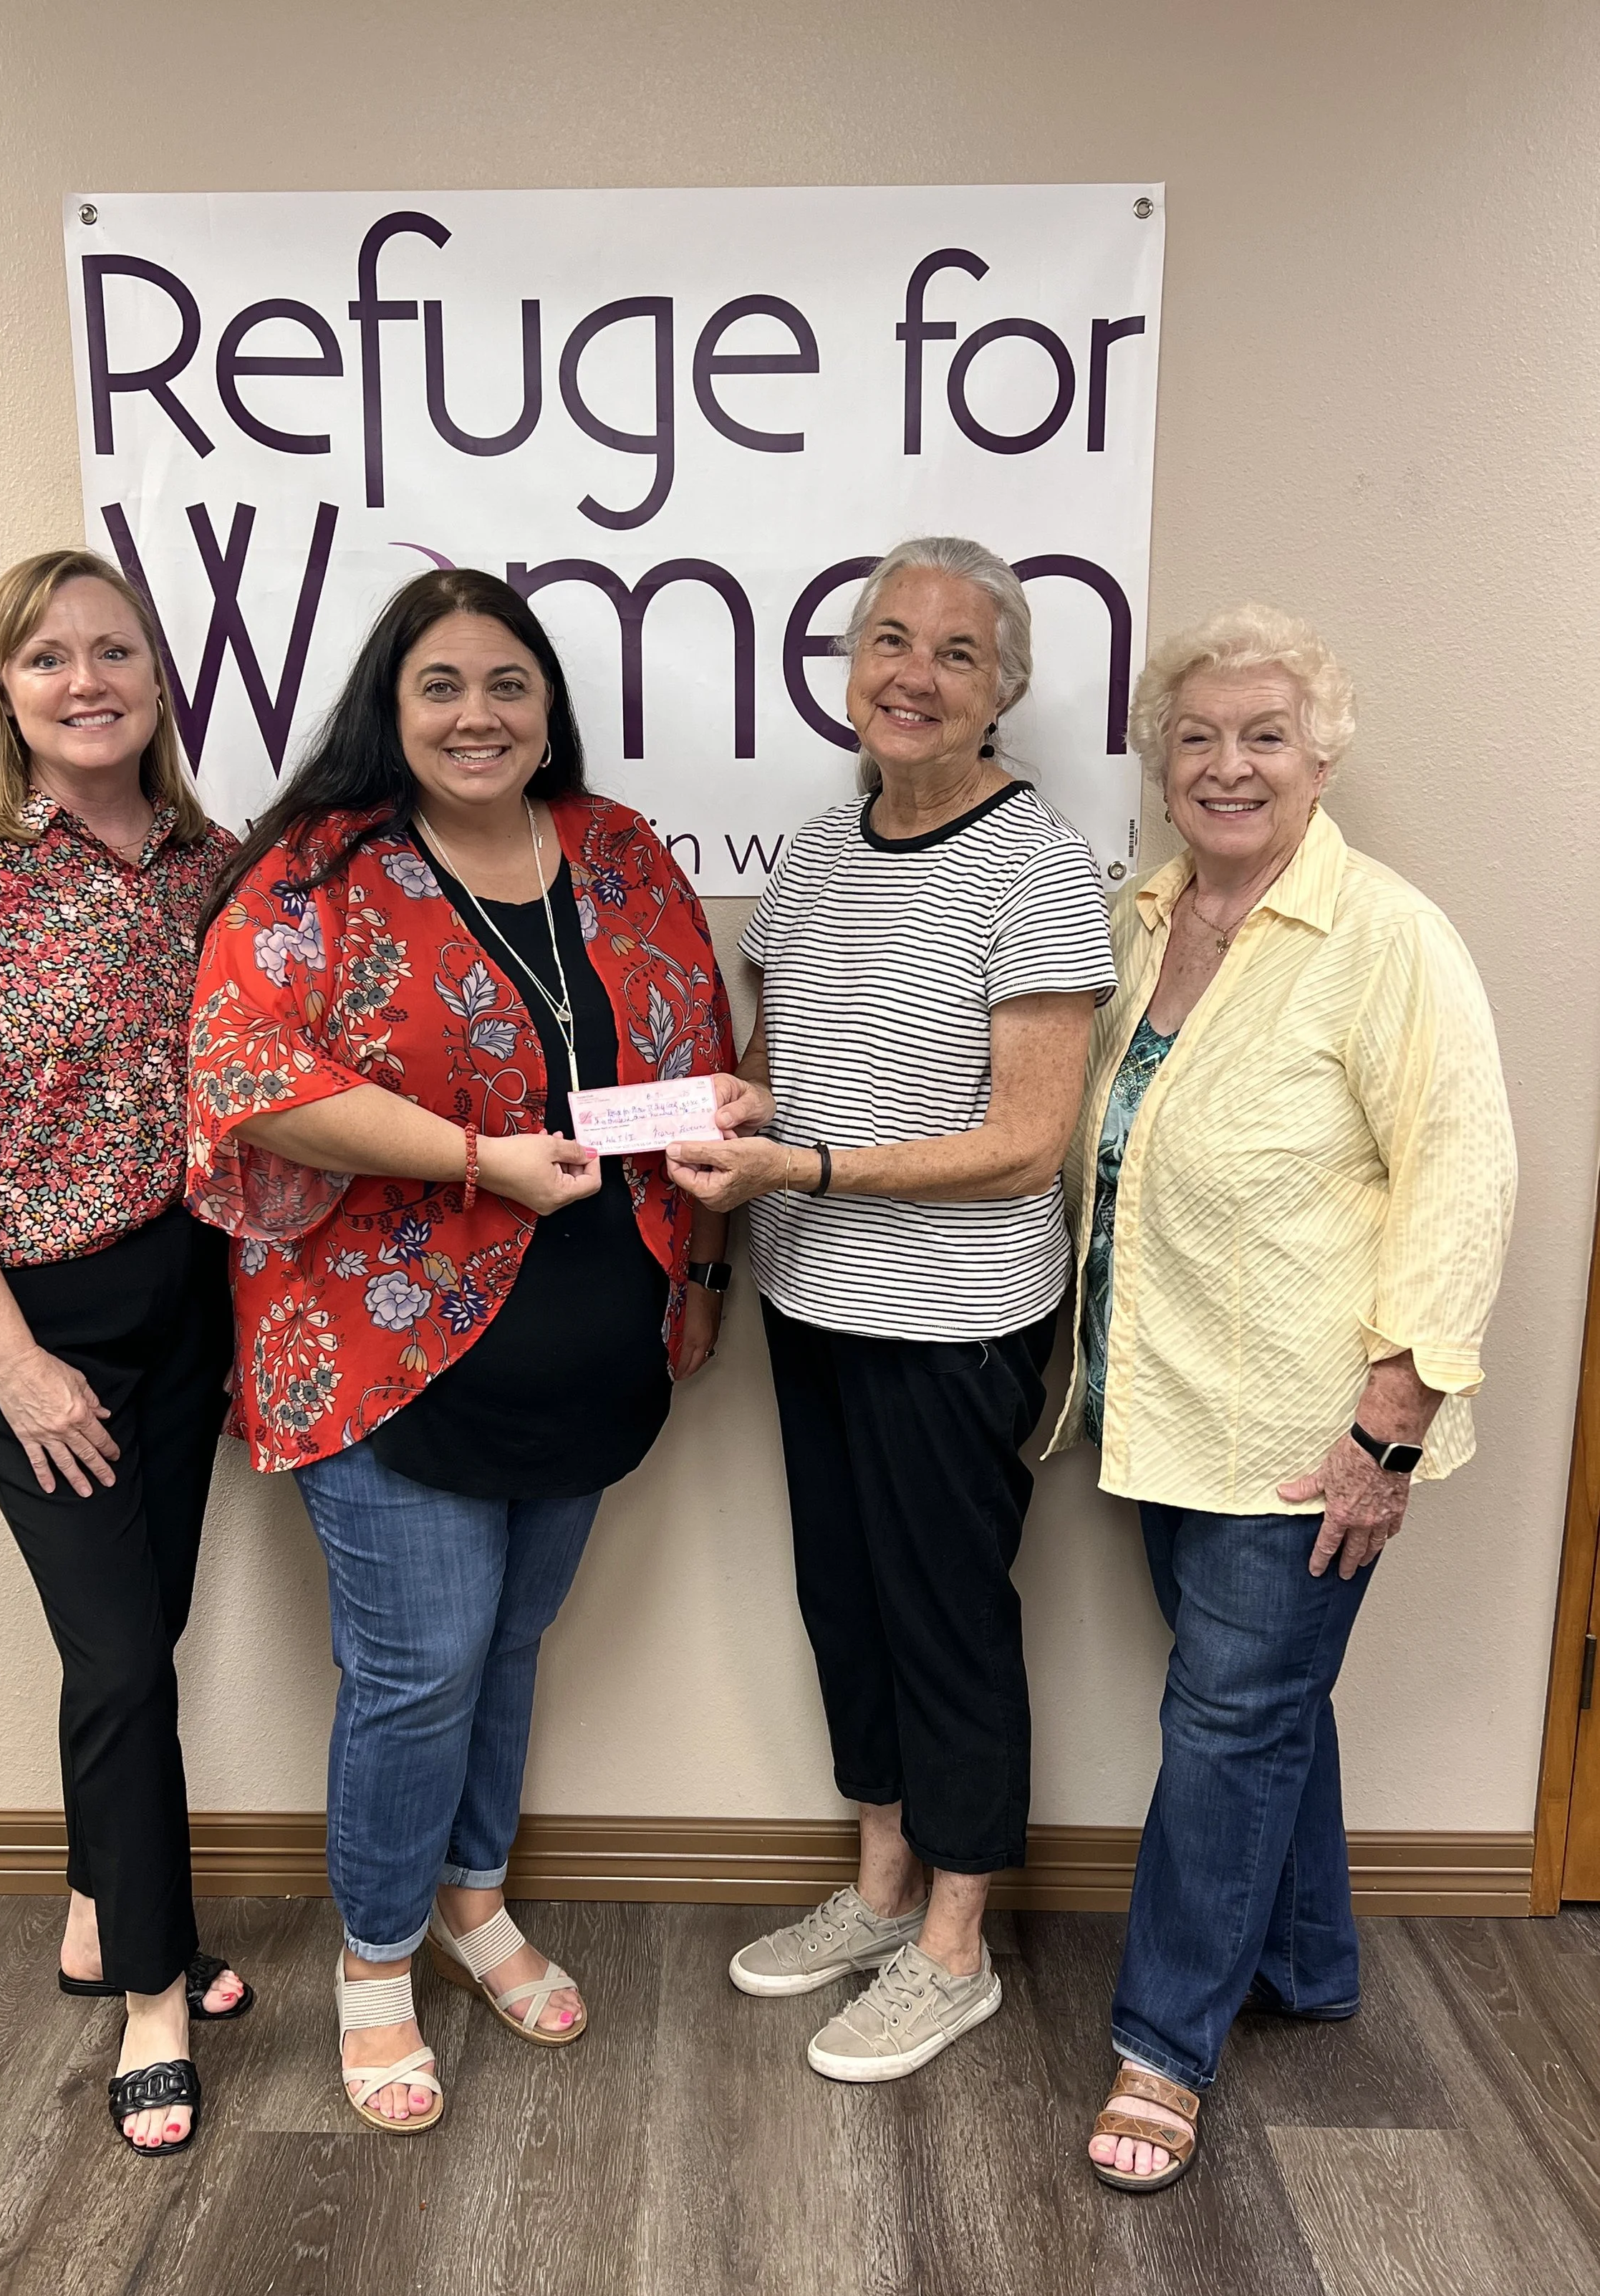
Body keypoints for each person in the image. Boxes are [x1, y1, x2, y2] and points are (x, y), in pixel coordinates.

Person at [188, 567, 732, 2134]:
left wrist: (719, 1118)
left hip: (590, 1342)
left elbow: (683, 1054)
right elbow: (245, 1072)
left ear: (547, 699)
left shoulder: (621, 851)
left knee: (504, 1650)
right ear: (392, 703)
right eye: (441, 685)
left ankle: (472, 1900)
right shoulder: (322, 871)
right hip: (378, 1354)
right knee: (415, 1675)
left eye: (506, 682)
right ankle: (374, 1962)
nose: (476, 713)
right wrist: (473, 1158)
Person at [1044, 604, 1515, 2191]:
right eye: (1194, 736)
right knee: (1251, 1702)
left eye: (1260, 737)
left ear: (1319, 759)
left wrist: (1391, 1422)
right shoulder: (1140, 914)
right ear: (1156, 761)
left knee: (1226, 1722)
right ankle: (1305, 1962)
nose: (1224, 765)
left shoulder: (1384, 937)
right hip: (1152, 1398)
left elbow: (1461, 1178)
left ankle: (1160, 2050)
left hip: (1302, 1427)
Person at [666, 535, 1116, 2082]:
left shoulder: (1037, 865)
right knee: (842, 1609)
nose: (911, 675)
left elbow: (1024, 1143)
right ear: (846, 664)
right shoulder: (810, 853)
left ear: (1002, 693)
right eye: (887, 641)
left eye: (954, 654)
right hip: (814, 1294)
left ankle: (953, 1942)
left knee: (947, 1629)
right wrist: (747, 1107)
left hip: (954, 1321)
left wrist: (803, 1156)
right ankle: (876, 1889)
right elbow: (786, 1070)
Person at [0, 551, 251, 2159]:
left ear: (161, 675)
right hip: (32, 1319)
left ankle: (102, 1906)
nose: (86, 680)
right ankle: (151, 1995)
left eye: (115, 651)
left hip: (188, 1298)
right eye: (48, 658)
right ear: (2, 687)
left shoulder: (205, 862)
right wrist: (16, 1360)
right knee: (117, 1657)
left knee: (138, 1627)